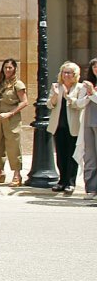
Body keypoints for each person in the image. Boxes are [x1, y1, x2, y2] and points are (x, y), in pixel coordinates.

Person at [47, 61, 86, 194]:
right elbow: (49, 104)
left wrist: (68, 97)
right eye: (64, 72)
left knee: (72, 155)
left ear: (75, 74)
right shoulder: (56, 86)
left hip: (74, 126)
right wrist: (57, 95)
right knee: (61, 155)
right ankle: (61, 181)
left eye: (69, 72)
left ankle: (70, 182)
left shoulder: (80, 88)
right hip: (59, 125)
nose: (66, 75)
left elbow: (79, 105)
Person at [0, 58, 28, 186]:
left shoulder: (18, 84)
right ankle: (0, 172)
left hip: (11, 118)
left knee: (13, 145)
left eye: (10, 67)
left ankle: (17, 175)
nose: (7, 70)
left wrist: (11, 113)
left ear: (15, 69)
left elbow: (24, 102)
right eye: (5, 67)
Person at [79, 59, 97, 201]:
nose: (96, 69)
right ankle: (91, 188)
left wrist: (92, 94)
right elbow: (79, 103)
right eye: (94, 67)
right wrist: (88, 94)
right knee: (89, 156)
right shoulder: (87, 84)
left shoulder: (90, 88)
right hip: (88, 122)